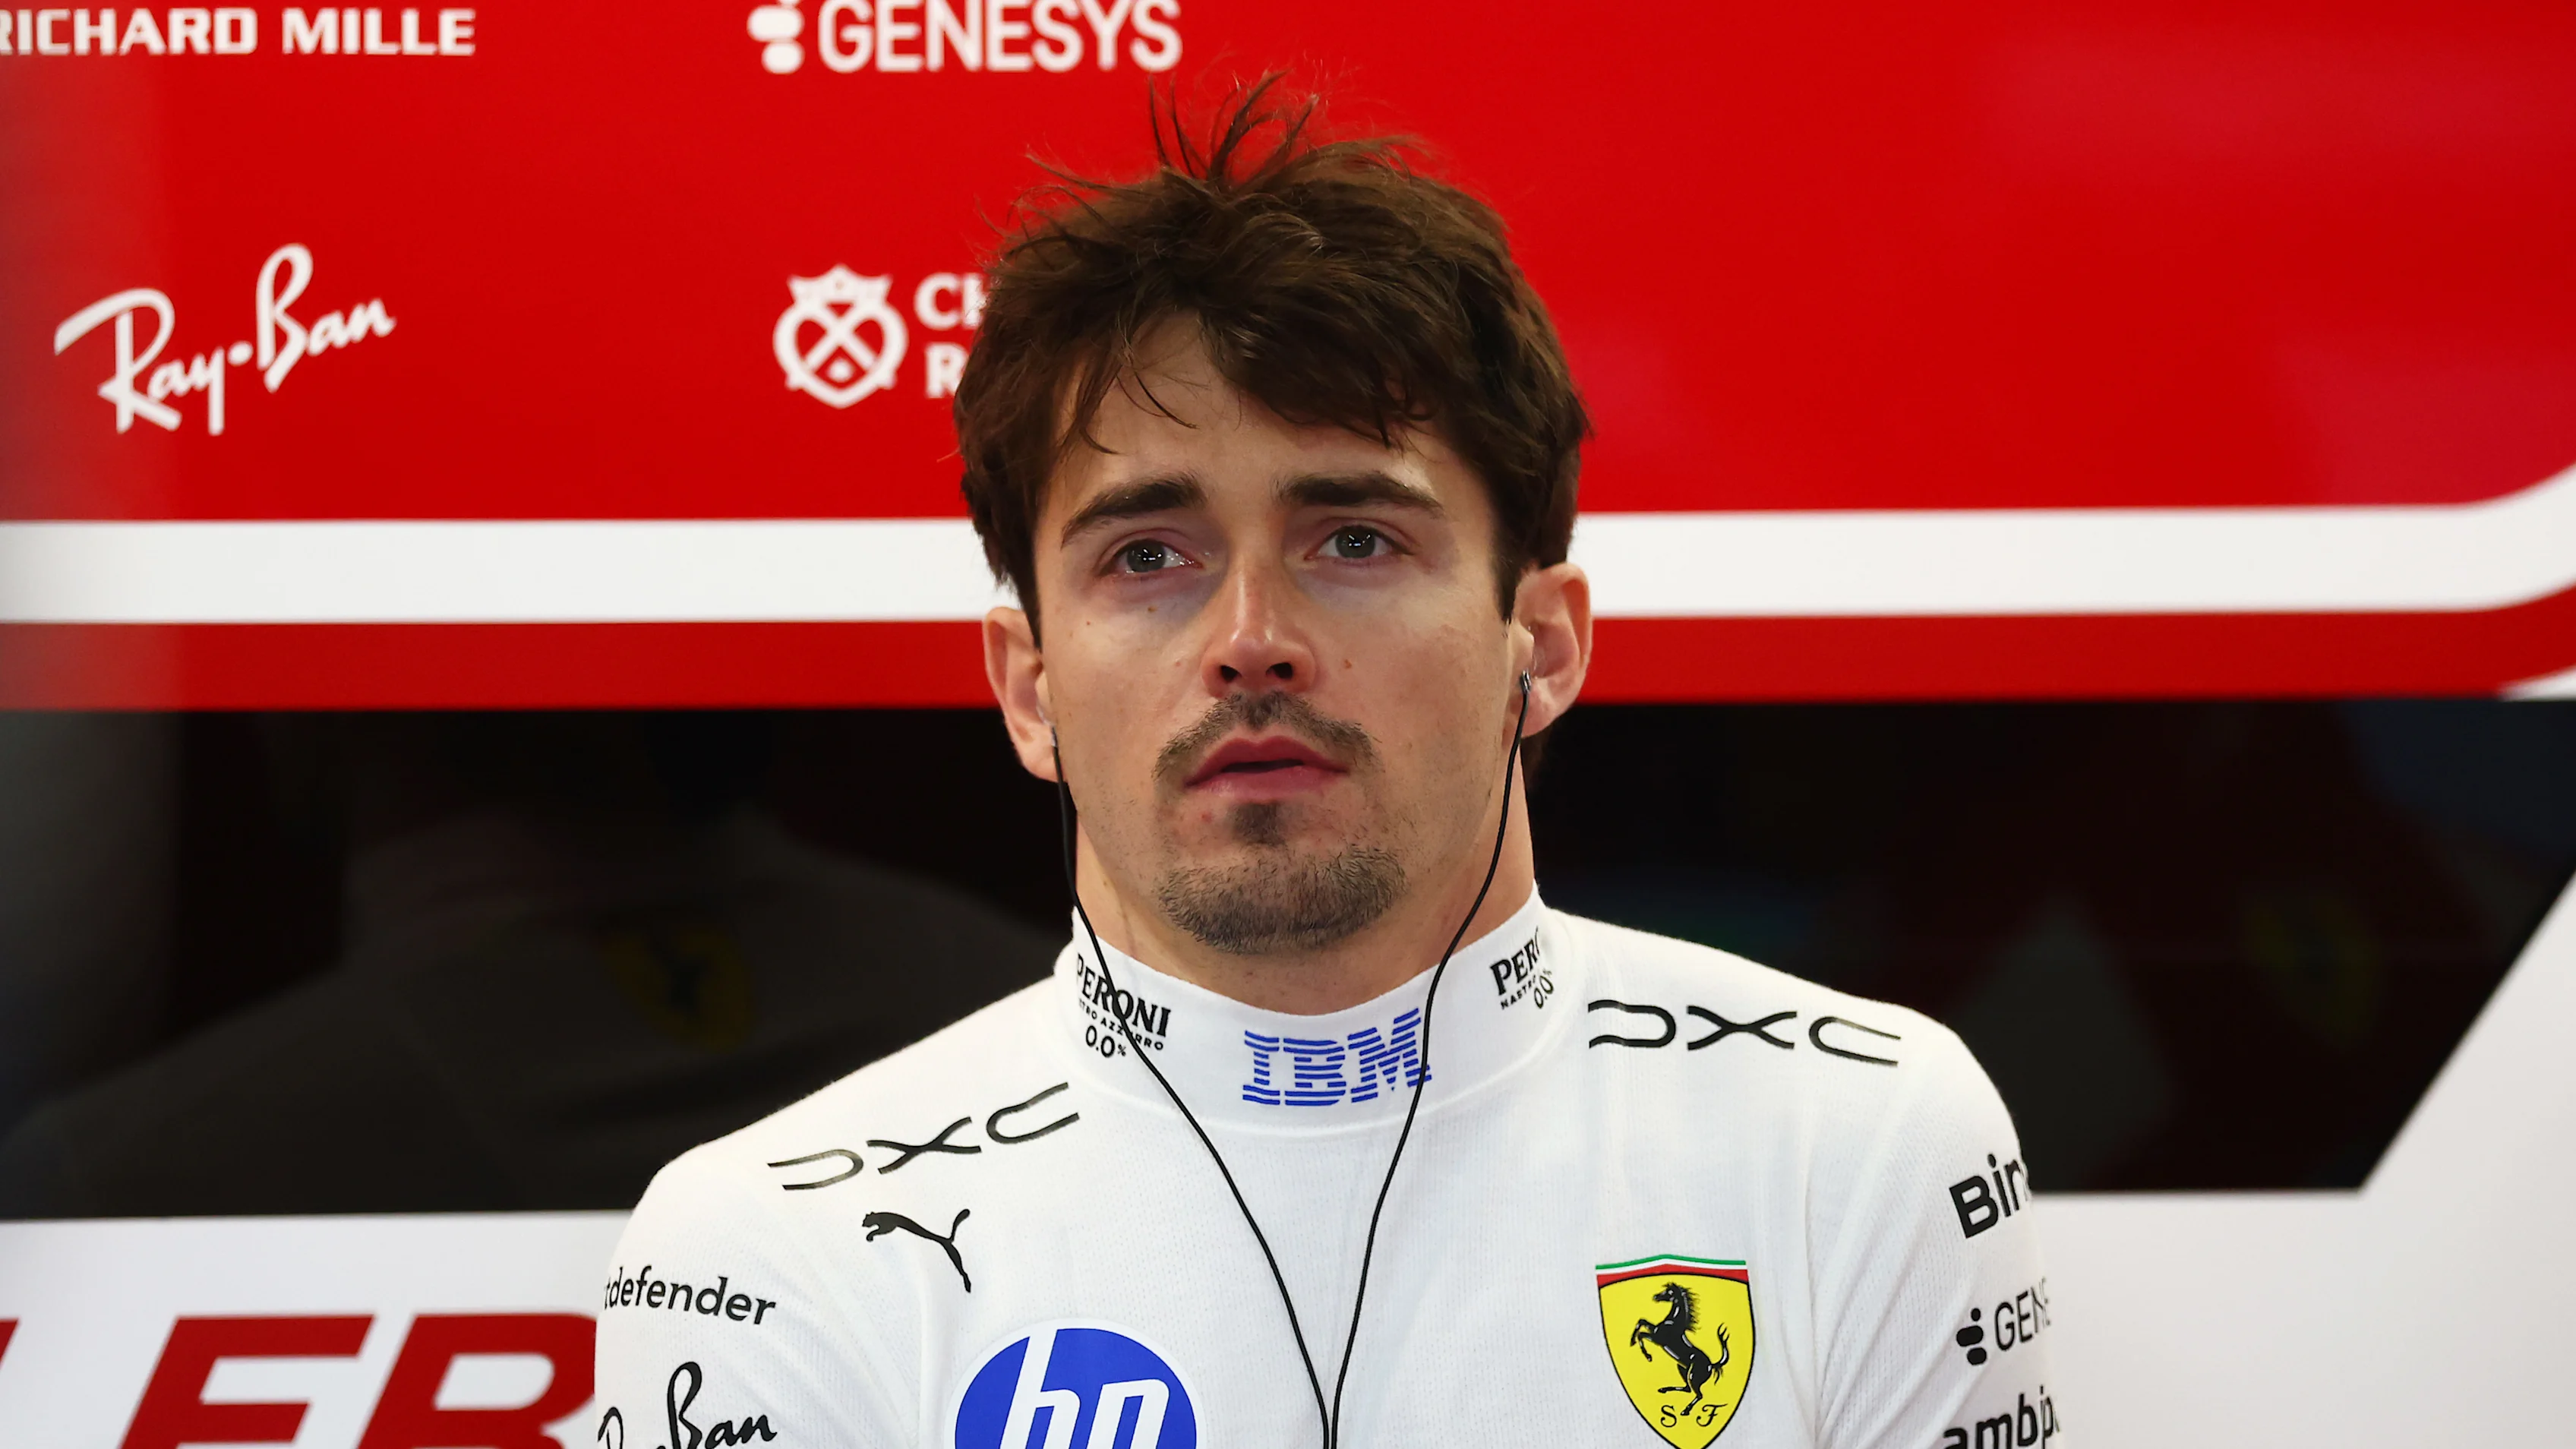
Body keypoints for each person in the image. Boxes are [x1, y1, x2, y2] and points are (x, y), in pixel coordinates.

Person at [595, 80, 2057, 1449]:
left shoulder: (1855, 1139)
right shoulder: (767, 1248)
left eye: (1354, 539)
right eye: (1149, 554)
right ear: (1029, 689)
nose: (1252, 640)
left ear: (1539, 646)